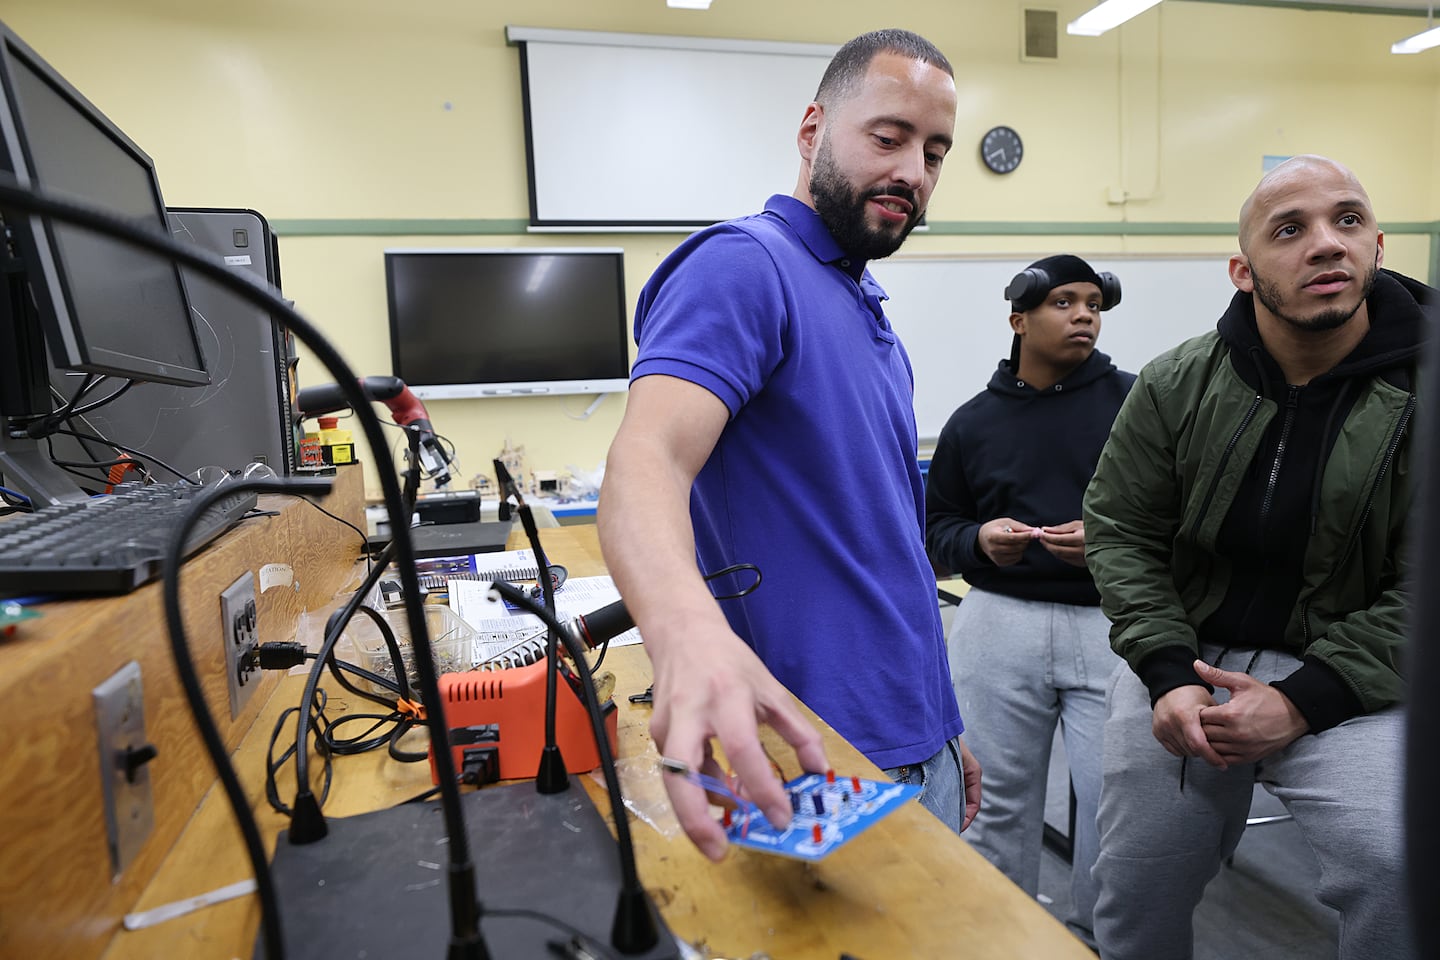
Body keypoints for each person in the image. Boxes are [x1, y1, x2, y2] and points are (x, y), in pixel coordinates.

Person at [597, 28, 979, 861]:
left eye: (936, 152)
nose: (914, 173)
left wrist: (942, 726)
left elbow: (883, 551)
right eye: (889, 137)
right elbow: (646, 460)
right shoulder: (745, 265)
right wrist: (683, 630)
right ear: (812, 132)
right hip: (815, 754)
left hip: (916, 740)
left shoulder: (861, 301)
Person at [1083, 155, 1429, 960]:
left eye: (1347, 222)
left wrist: (1304, 699)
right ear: (1243, 272)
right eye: (1290, 229)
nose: (1327, 245)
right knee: (1133, 891)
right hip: (1186, 666)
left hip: (1356, 681)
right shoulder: (1177, 383)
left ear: (1376, 245)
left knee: (1401, 872)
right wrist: (1166, 675)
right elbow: (1122, 531)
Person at [925, 254, 1133, 946]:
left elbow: (1178, 515)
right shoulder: (972, 422)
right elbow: (936, 531)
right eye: (1064, 303)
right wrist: (979, 539)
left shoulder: (1139, 404)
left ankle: (1098, 941)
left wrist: (1106, 539)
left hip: (1112, 625)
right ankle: (995, 938)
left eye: (1094, 305)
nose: (1083, 316)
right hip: (997, 626)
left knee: (1118, 807)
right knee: (994, 803)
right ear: (1019, 320)